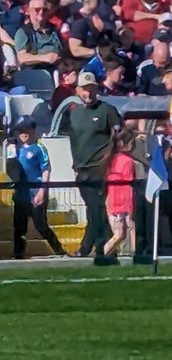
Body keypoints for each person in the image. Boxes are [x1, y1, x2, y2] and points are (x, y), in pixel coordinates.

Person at [65, 73, 121, 264]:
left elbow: (119, 137)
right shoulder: (73, 113)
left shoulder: (107, 110)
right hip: (82, 170)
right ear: (78, 90)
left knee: (96, 209)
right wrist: (75, 165)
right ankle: (103, 248)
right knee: (94, 210)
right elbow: (73, 141)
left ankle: (94, 248)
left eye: (91, 89)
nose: (88, 93)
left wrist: (110, 162)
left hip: (101, 169)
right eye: (84, 89)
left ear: (96, 89)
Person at [9, 117, 66, 259]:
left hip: (36, 191)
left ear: (33, 131)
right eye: (20, 131)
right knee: (19, 227)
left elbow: (46, 169)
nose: (23, 134)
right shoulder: (14, 149)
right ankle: (18, 254)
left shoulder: (39, 148)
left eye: (26, 130)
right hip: (21, 193)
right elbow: (11, 169)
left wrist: (42, 190)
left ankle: (59, 250)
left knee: (40, 225)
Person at [103, 129, 136, 258]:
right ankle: (136, 254)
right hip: (124, 201)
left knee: (119, 234)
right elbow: (128, 186)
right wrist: (131, 206)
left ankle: (103, 253)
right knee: (131, 228)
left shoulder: (110, 160)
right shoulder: (128, 162)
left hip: (112, 201)